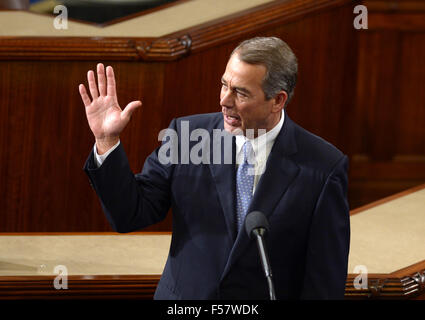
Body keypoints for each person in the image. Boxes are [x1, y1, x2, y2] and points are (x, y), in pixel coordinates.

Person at [80, 37, 350, 300]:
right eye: (224, 85)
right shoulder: (187, 137)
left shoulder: (323, 167)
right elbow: (130, 214)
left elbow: (324, 282)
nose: (224, 101)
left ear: (277, 100)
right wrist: (107, 140)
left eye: (241, 92)